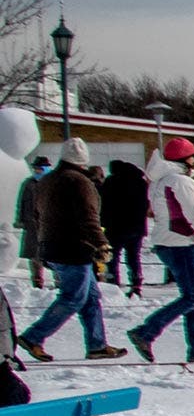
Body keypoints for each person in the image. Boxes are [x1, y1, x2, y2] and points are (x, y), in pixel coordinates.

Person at [17, 140, 127, 362]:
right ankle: (33, 337)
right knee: (73, 297)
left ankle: (97, 344)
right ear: (83, 160)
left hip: (51, 245)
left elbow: (38, 214)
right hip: (73, 248)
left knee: (91, 297)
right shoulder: (79, 182)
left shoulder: (46, 180)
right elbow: (89, 217)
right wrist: (101, 243)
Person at [129, 137, 194, 364]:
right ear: (185, 160)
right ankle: (146, 332)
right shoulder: (181, 182)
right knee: (193, 297)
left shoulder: (160, 181)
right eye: (192, 156)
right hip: (180, 244)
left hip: (168, 243)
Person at [100, 159, 149, 296]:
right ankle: (136, 283)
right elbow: (145, 204)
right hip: (137, 227)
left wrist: (103, 223)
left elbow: (105, 205)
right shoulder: (141, 182)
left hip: (115, 228)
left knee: (113, 257)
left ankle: (113, 283)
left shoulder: (111, 182)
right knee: (134, 257)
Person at [16, 155, 50, 289]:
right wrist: (20, 220)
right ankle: (37, 282)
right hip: (32, 226)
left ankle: (59, 282)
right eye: (35, 169)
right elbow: (22, 202)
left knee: (53, 255)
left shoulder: (53, 182)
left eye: (40, 169)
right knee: (35, 256)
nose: (37, 172)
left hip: (50, 226)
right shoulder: (28, 183)